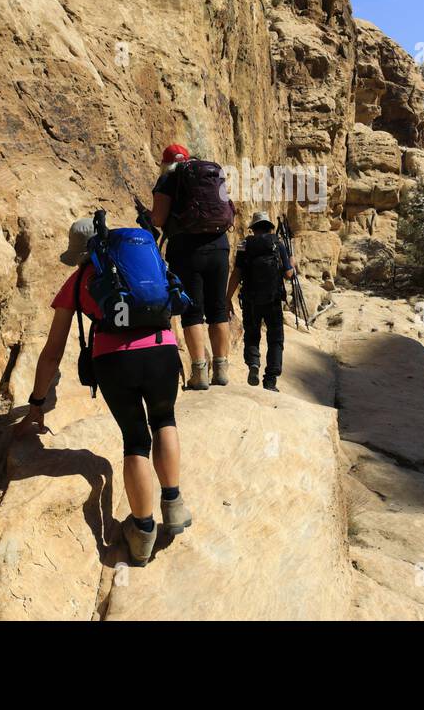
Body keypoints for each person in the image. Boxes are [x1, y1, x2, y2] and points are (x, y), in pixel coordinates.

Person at [18, 218, 191, 567]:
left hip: (115, 362)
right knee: (164, 420)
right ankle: (173, 507)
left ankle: (142, 534)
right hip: (162, 351)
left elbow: (53, 350)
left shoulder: (80, 279)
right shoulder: (140, 268)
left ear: (82, 252)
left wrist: (37, 402)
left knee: (136, 440)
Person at [150, 144, 235, 390]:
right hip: (219, 245)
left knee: (193, 310)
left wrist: (147, 213)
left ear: (165, 163)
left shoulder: (168, 179)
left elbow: (158, 219)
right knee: (218, 308)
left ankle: (200, 373)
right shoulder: (209, 175)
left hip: (187, 250)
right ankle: (221, 369)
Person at [227, 212, 294, 391]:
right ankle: (270, 380)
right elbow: (288, 274)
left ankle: (253, 363)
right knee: (275, 339)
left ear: (253, 228)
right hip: (273, 299)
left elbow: (236, 273)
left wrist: (227, 298)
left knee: (252, 333)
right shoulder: (278, 243)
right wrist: (291, 264)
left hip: (250, 299)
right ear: (269, 227)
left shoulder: (244, 244)